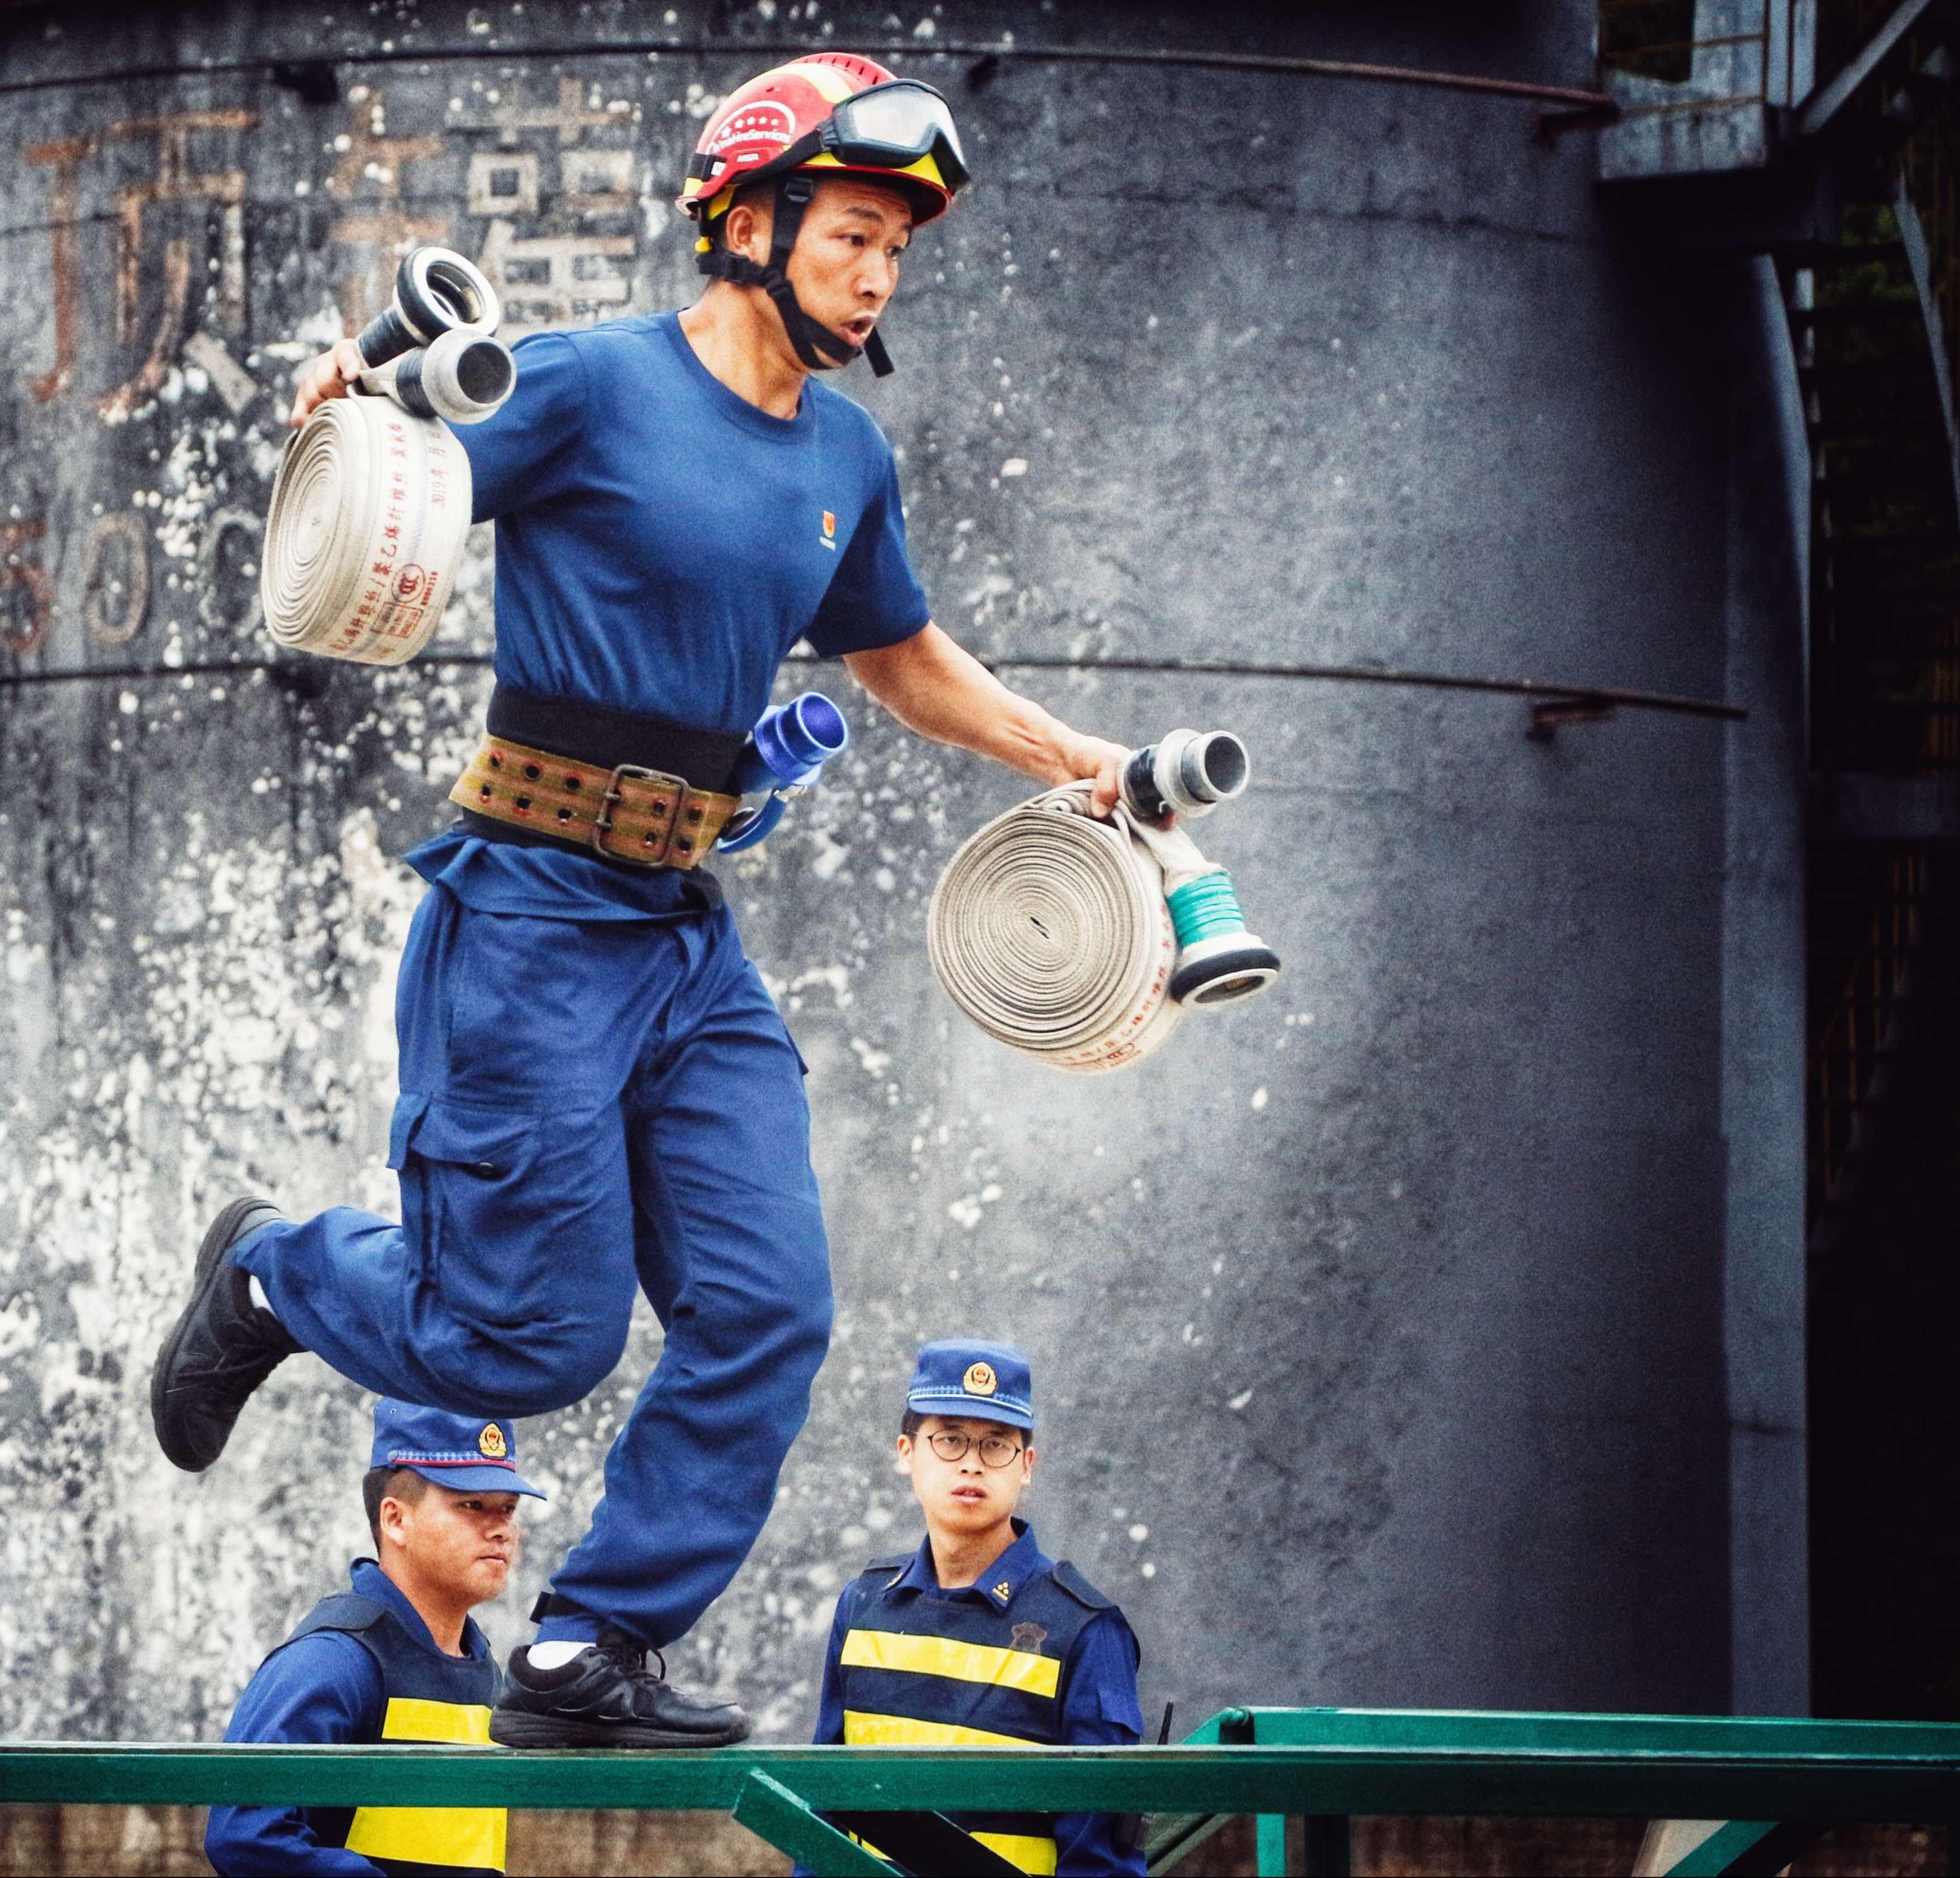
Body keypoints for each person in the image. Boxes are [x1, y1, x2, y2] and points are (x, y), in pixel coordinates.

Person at [154, 54, 1142, 1748]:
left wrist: (1075, 760)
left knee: (767, 1306)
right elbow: (379, 495)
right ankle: (272, 1270)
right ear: (744, 223)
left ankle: (584, 1644)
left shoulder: (842, 451)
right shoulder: (589, 388)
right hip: (524, 917)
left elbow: (894, 653)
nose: (875, 270)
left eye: (895, 248)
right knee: (528, 1340)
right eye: (847, 232)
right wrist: (347, 396)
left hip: (681, 938)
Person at [810, 1339, 1144, 1877]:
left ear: (1026, 1465)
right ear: (906, 1452)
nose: (971, 1464)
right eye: (949, 1440)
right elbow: (823, 1820)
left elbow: (1099, 1863)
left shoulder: (1083, 1629)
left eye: (995, 1445)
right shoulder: (863, 1606)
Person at [205, 1400, 542, 1877]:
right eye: (472, 1505)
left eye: (507, 1509)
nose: (501, 1530)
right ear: (395, 1520)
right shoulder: (334, 1661)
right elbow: (244, 1835)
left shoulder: (481, 1662)